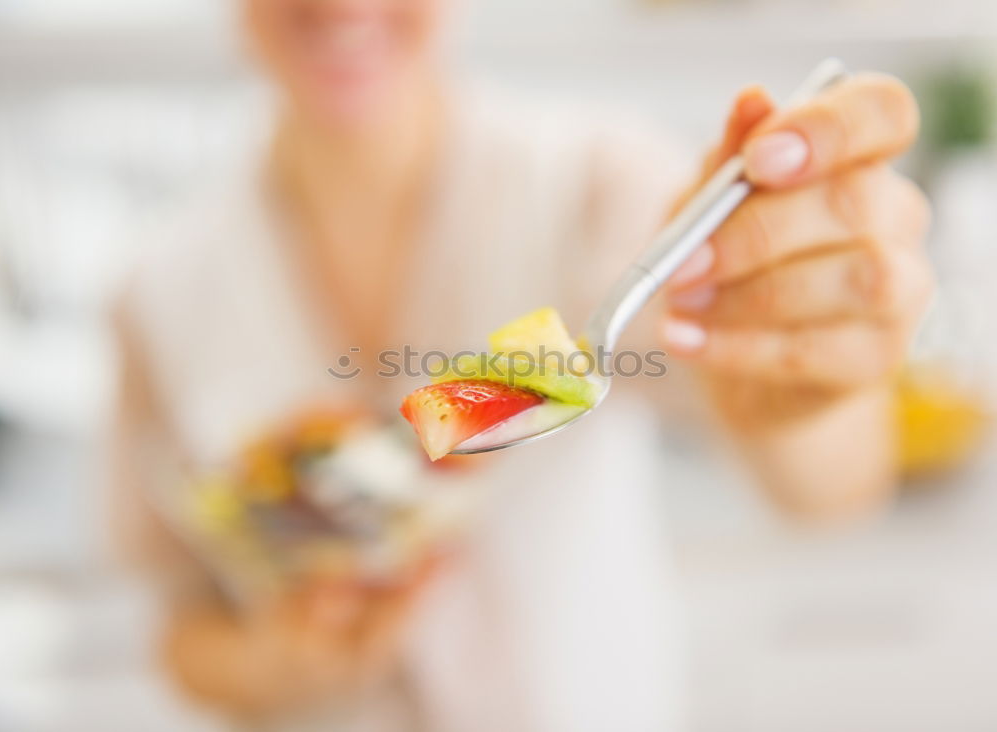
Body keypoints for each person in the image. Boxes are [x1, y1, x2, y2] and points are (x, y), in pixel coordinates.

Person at [110, 0, 933, 729]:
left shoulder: (596, 184)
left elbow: (832, 493)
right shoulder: (157, 284)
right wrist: (280, 660)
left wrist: (796, 386)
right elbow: (179, 621)